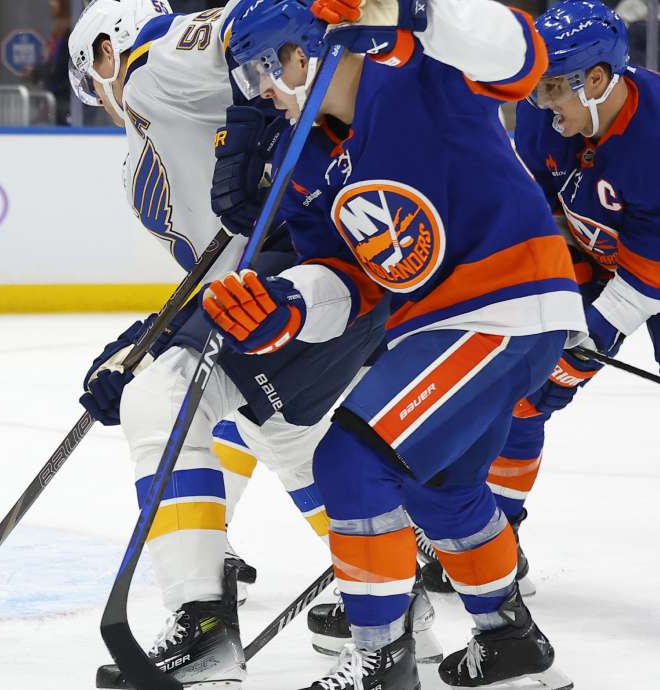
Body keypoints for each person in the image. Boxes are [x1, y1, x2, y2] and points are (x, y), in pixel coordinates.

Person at [210, 0, 585, 688]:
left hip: (503, 304)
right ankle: (509, 640)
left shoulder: (419, 67)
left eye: (269, 66)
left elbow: (520, 52)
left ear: (311, 50)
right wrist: (285, 310)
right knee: (443, 492)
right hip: (449, 325)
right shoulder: (311, 162)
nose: (264, 89)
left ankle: (380, 660)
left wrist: (416, 10)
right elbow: (349, 283)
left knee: (351, 460)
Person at [68, 1, 396, 685]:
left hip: (312, 273)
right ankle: (388, 597)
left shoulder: (147, 70)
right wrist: (142, 342)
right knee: (281, 426)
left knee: (164, 400)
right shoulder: (152, 145)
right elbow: (217, 269)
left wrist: (278, 15)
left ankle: (204, 624)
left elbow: (231, 30)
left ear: (102, 53)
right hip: (317, 275)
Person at [415, 0, 660, 602]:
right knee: (521, 389)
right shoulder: (543, 118)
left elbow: (651, 268)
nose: (541, 103)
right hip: (598, 260)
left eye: (554, 88)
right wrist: (555, 308)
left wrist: (593, 335)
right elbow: (543, 211)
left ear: (599, 80)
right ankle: (494, 537)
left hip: (648, 269)